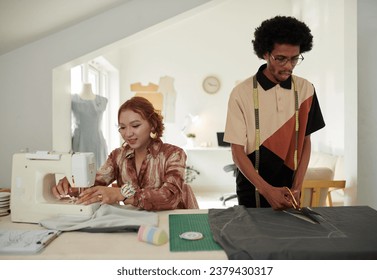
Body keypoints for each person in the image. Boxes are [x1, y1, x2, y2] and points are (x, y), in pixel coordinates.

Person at [224, 16, 325, 210]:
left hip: (291, 187)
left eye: (295, 58)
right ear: (265, 53)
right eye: (280, 58)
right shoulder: (241, 93)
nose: (288, 66)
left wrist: (297, 187)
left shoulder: (306, 90)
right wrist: (266, 190)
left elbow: (306, 142)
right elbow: (237, 151)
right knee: (255, 238)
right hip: (251, 187)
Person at [53, 96, 199, 211]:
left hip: (175, 220)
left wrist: (121, 194)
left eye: (135, 125)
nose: (128, 133)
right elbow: (93, 183)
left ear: (152, 125)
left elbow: (170, 197)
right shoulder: (118, 156)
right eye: (122, 127)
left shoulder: (173, 154)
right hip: (138, 222)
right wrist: (72, 184)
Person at [71, 83, 108, 169]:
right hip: (80, 141)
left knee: (98, 173)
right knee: (79, 172)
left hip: (97, 142)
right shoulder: (73, 99)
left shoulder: (102, 100)